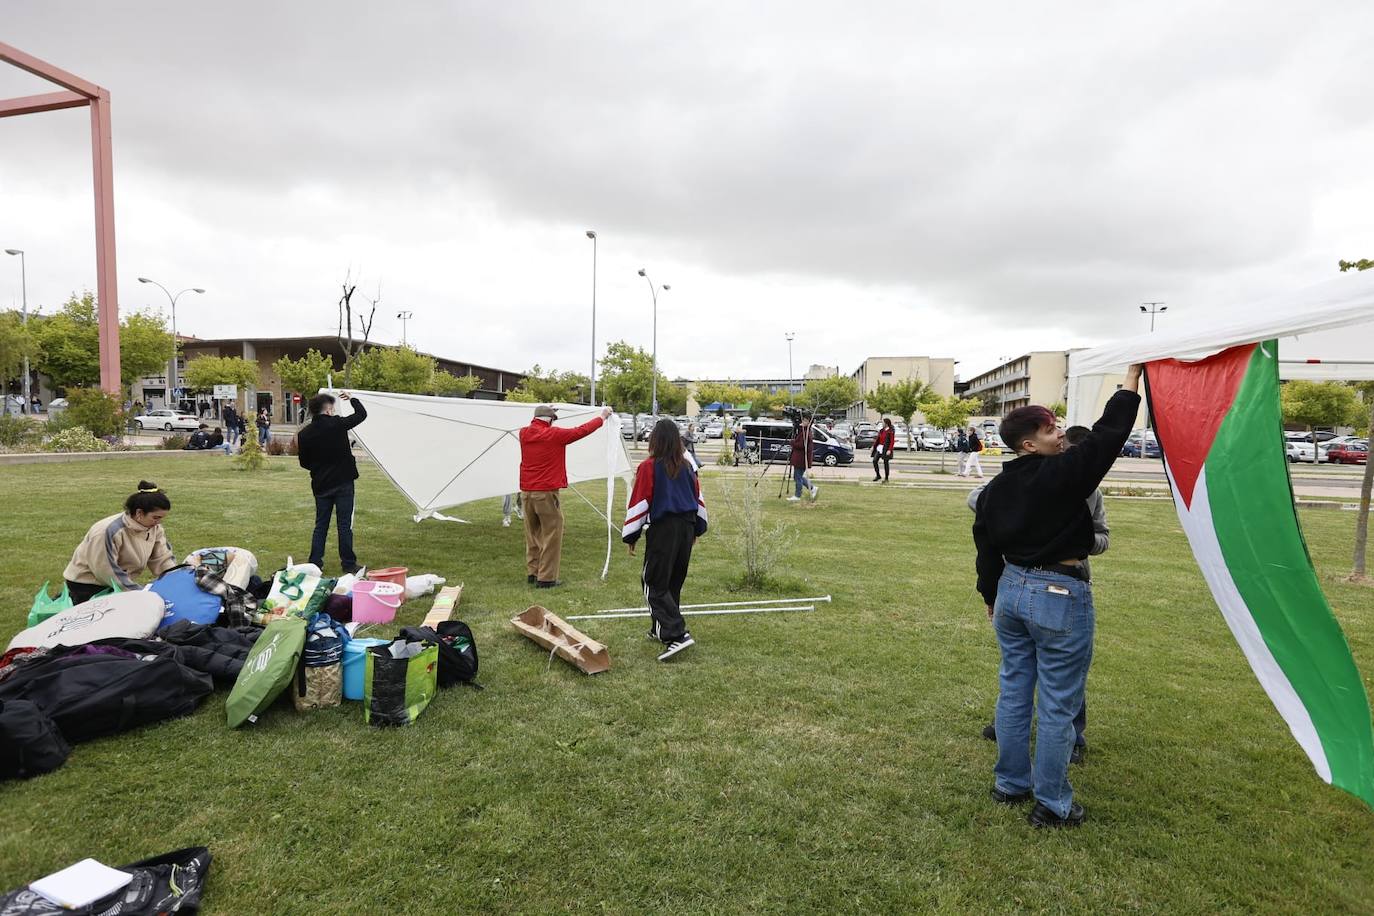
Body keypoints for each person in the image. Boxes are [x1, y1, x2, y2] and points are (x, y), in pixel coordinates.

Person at [972, 366, 1140, 828]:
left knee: (1013, 690)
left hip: (1011, 593)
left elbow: (985, 547)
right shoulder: (1062, 476)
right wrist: (1131, 382)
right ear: (1029, 444)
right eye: (1050, 429)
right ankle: (1052, 802)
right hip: (1057, 595)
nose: (1060, 432)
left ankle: (1010, 783)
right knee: (1058, 704)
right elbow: (1108, 436)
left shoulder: (995, 488)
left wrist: (991, 595)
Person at [970, 424, 1108, 762]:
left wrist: (1076, 537)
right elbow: (977, 500)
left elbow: (1102, 538)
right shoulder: (1020, 480)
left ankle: (1071, 739)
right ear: (1032, 447)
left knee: (1062, 680)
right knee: (1021, 678)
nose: (1060, 442)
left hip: (1060, 584)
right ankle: (1043, 794)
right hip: (1020, 583)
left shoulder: (1085, 490)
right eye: (1053, 435)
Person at [622, 418, 708, 661]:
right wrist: (697, 530)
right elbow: (698, 498)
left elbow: (640, 502)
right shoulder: (688, 465)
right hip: (687, 526)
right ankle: (659, 628)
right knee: (672, 582)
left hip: (664, 528)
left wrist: (632, 534)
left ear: (655, 440)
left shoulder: (650, 467)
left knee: (653, 582)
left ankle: (676, 635)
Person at [519, 404, 613, 587]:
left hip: (526, 492)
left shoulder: (524, 433)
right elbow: (582, 430)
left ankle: (533, 571)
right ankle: (546, 578)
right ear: (550, 420)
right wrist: (602, 417)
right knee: (552, 533)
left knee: (533, 533)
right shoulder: (554, 435)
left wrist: (548, 409)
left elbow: (541, 423)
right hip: (545, 492)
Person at [63, 481, 176, 604]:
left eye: (162, 518)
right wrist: (138, 593)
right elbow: (106, 570)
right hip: (87, 586)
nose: (159, 522)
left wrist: (176, 580)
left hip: (118, 583)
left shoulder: (154, 528)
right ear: (139, 513)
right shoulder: (107, 531)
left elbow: (162, 558)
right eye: (156, 517)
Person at [297, 392, 368, 573]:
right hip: (343, 481)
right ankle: (348, 563)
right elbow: (361, 414)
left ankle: (315, 562)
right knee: (344, 525)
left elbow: (304, 462)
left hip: (321, 484)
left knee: (321, 524)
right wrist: (352, 398)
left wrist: (319, 469)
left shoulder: (304, 434)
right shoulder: (337, 424)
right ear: (328, 410)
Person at [787, 415, 818, 502]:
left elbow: (801, 445)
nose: (802, 422)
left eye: (805, 421)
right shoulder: (803, 431)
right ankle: (812, 487)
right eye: (803, 420)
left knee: (798, 477)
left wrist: (792, 442)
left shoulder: (807, 433)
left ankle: (798, 495)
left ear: (809, 423)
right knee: (798, 477)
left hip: (801, 459)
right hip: (799, 458)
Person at [872, 418, 896, 482]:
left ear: (886, 423)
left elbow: (892, 441)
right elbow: (878, 439)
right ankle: (878, 475)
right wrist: (873, 447)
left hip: (886, 448)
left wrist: (889, 450)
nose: (882, 424)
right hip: (880, 448)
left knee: (886, 463)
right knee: (874, 460)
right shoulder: (881, 431)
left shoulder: (890, 431)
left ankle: (886, 478)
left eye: (882, 422)